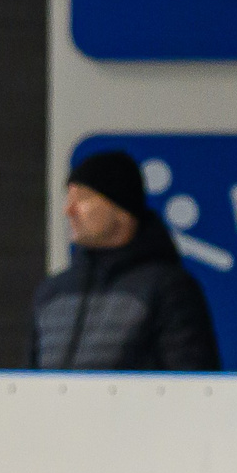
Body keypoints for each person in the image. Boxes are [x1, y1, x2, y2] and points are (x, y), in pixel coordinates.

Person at [26, 148, 220, 372]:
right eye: (68, 198)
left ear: (120, 207)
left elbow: (193, 387)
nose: (69, 210)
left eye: (84, 198)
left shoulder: (169, 289)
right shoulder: (52, 292)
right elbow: (28, 386)